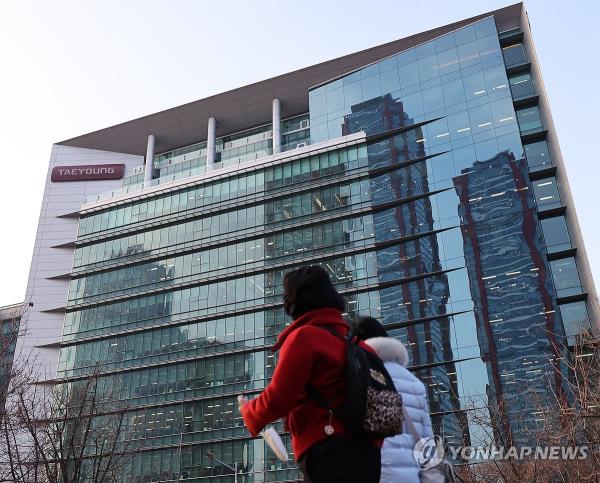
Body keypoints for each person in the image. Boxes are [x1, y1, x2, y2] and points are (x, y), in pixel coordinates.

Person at [239, 266, 381, 483]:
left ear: (293, 300)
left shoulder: (305, 337)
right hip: (369, 458)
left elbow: (278, 398)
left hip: (329, 451)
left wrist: (249, 410)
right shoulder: (361, 347)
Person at [352, 316, 433, 483]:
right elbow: (427, 441)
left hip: (376, 473)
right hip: (412, 477)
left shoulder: (361, 377)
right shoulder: (416, 384)